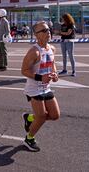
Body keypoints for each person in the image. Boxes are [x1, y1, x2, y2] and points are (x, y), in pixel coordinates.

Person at [21, 21, 60, 152]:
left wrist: (55, 74)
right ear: (36, 35)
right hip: (34, 89)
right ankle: (29, 138)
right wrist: (40, 77)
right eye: (43, 31)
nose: (48, 32)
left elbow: (52, 65)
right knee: (42, 116)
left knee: (55, 115)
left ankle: (30, 118)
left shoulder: (52, 49)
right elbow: (24, 70)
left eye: (48, 29)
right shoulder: (34, 52)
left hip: (46, 87)